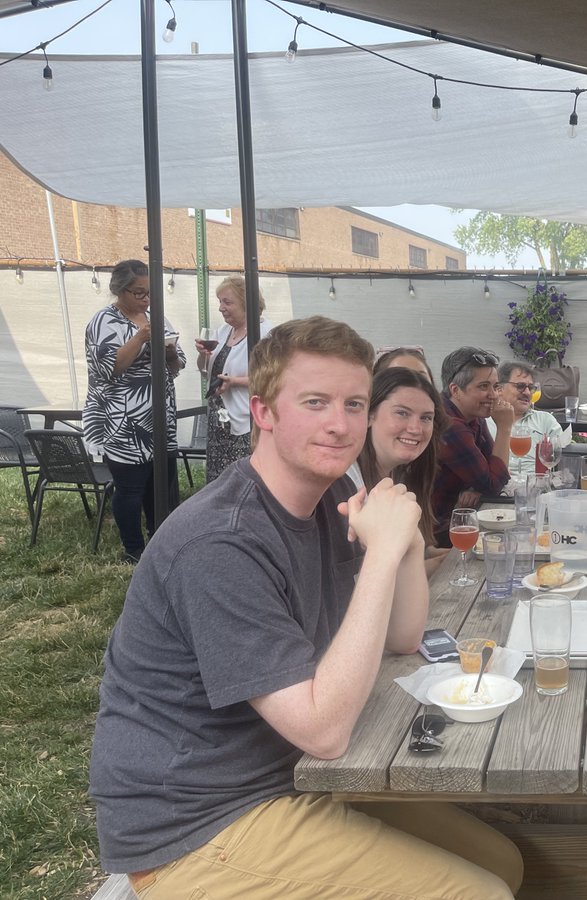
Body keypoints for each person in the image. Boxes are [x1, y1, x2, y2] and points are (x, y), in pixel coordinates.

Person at [89, 316, 522, 899]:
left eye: (353, 404)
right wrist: (381, 555)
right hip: (195, 823)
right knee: (479, 895)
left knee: (504, 862)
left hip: (290, 776)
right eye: (315, 402)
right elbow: (324, 732)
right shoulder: (220, 543)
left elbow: (401, 636)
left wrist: (409, 539)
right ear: (264, 411)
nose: (339, 424)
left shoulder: (335, 497)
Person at [83, 259, 185, 564]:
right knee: (130, 487)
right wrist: (141, 337)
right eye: (138, 292)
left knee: (161, 484)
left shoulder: (157, 317)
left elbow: (177, 365)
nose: (145, 299)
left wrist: (169, 353)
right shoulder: (102, 322)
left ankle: (160, 540)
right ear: (120, 290)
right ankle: (134, 549)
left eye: (148, 292)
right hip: (123, 421)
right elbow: (109, 368)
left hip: (159, 417)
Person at [349, 365, 453, 575]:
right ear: (370, 415)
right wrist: (438, 566)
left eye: (426, 418)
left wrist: (453, 556)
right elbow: (356, 579)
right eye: (402, 413)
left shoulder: (402, 474)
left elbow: (413, 552)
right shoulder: (347, 482)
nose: (415, 429)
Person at [430, 346, 514, 545]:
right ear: (455, 390)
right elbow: (493, 483)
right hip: (436, 531)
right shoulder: (449, 424)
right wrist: (504, 429)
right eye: (483, 386)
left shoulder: (472, 415)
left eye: (495, 386)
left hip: (458, 518)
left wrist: (475, 487)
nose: (493, 395)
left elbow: (494, 472)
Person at [194, 275, 273, 482]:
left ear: (247, 303)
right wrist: (203, 354)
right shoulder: (222, 332)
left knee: (243, 479)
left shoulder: (265, 334)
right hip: (219, 420)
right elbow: (205, 371)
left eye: (227, 302)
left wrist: (235, 382)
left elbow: (274, 377)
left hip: (246, 420)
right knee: (218, 479)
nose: (221, 308)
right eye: (219, 301)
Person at [487, 360, 562, 477]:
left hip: (535, 486)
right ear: (499, 389)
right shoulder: (484, 421)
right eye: (520, 386)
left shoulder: (545, 421)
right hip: (496, 486)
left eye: (531, 387)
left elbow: (560, 457)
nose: (527, 392)